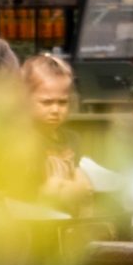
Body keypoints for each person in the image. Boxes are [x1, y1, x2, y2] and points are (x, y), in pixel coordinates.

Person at [22, 49, 95, 213]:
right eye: (46, 102)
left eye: (62, 102)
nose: (55, 109)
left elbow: (81, 182)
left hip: (69, 220)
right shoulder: (22, 141)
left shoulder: (72, 139)